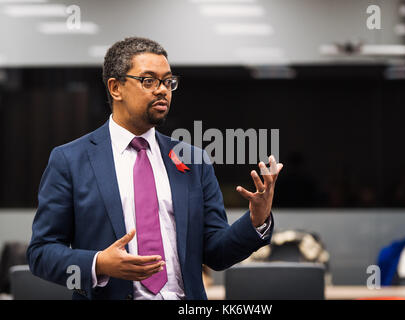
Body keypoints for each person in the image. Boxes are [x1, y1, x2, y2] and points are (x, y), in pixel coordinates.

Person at [27, 37, 283, 300]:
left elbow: (216, 253)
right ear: (116, 88)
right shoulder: (70, 160)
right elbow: (41, 254)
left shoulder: (193, 161)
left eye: (168, 81)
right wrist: (99, 263)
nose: (163, 90)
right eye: (149, 81)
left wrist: (256, 220)